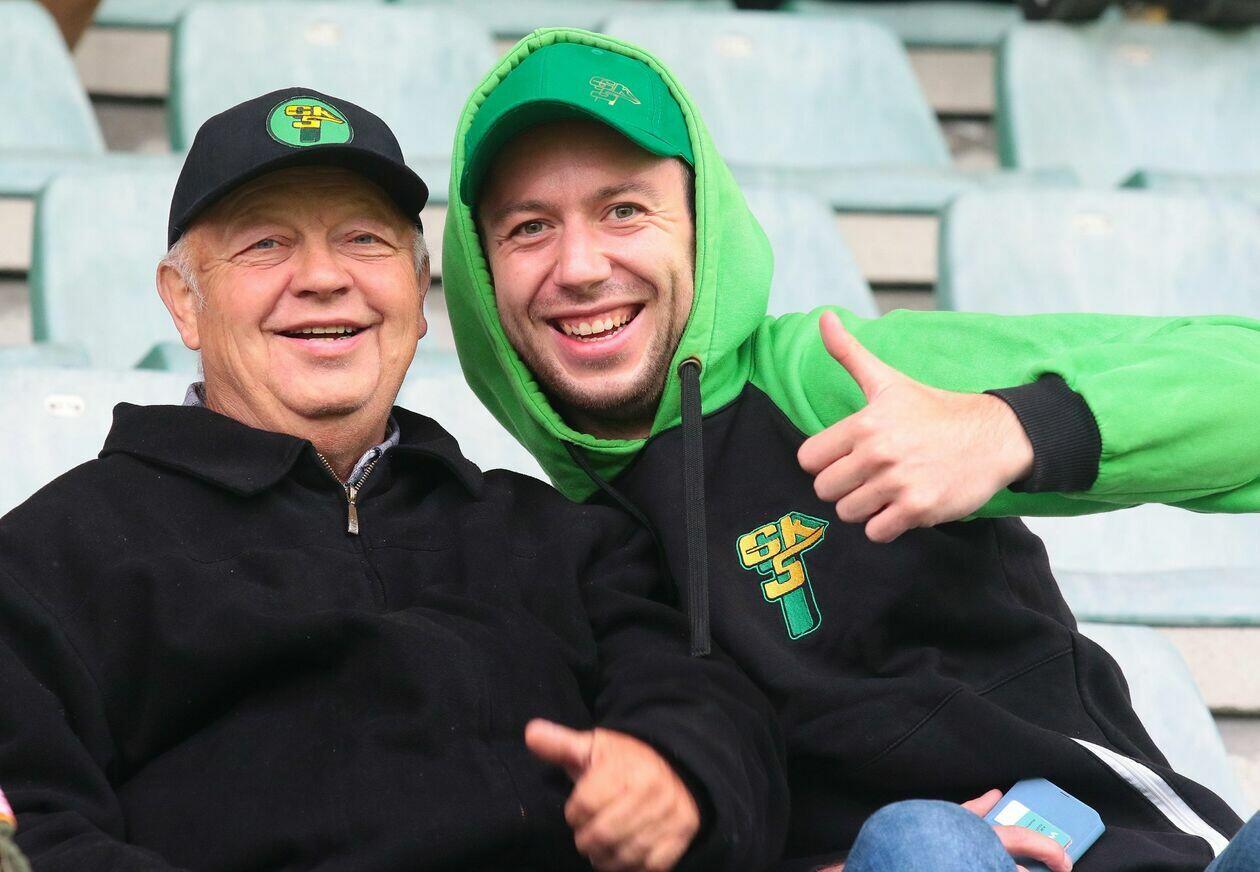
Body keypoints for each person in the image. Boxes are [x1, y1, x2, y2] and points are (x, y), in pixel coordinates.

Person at [440, 31, 1260, 871]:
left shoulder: (832, 377)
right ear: (480, 276)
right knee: (920, 846)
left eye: (624, 210)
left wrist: (1010, 430)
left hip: (1121, 851)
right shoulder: (540, 554)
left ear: (700, 231)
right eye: (529, 228)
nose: (580, 266)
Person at [0, 87, 788, 871]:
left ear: (419, 294)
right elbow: (31, 826)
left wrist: (675, 774)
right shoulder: (46, 562)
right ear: (185, 302)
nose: (322, 277)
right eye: (266, 244)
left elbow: (711, 701)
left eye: (364, 239)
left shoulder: (557, 538)